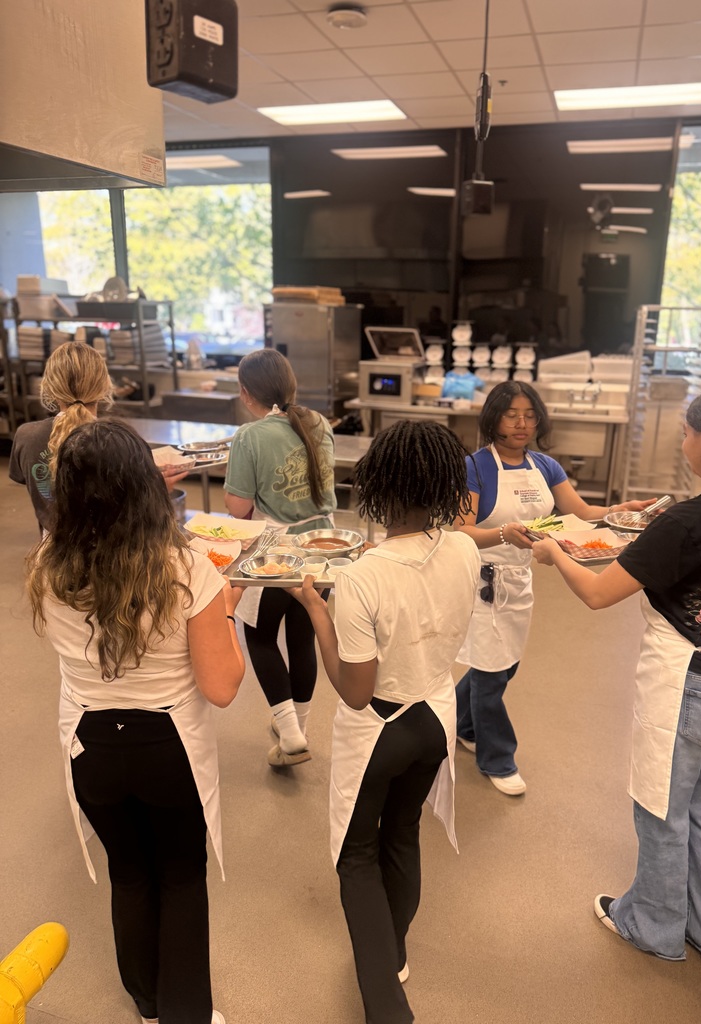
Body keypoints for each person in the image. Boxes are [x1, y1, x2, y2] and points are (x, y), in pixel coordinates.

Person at [531, 380, 701, 970]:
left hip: (692, 685)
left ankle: (655, 926)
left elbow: (596, 592)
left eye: (687, 431)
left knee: (661, 807)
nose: (684, 441)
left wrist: (552, 551)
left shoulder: (693, 517)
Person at [26, 420, 245, 1024]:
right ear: (146, 487)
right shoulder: (187, 568)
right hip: (167, 743)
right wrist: (226, 608)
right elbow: (222, 687)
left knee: (129, 870)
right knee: (179, 874)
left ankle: (148, 1003)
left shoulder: (49, 565)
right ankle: (185, 1014)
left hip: (89, 742)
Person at [290, 419, 480, 1024]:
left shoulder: (360, 576)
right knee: (403, 834)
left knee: (356, 856)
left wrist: (318, 614)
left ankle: (387, 1005)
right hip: (434, 718)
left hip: (380, 729)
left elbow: (353, 692)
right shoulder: (464, 547)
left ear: (377, 487)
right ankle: (395, 954)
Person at [453, 380, 653, 796]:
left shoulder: (545, 466)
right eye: (512, 414)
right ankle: (497, 758)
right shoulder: (475, 466)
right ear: (494, 418)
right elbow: (461, 532)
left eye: (529, 414)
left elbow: (580, 512)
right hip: (483, 579)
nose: (522, 423)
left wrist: (619, 510)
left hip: (521, 577)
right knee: (491, 671)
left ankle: (460, 722)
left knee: (503, 664)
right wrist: (504, 534)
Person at [223, 348, 337, 766]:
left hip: (275, 551)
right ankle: (300, 726)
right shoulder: (318, 422)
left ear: (245, 392)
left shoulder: (249, 437)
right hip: (322, 546)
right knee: (302, 635)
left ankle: (288, 732)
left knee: (259, 634)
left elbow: (237, 509)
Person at [9, 341, 187, 533]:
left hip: (51, 555)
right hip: (112, 557)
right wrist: (158, 488)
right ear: (105, 386)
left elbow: (33, 483)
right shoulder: (122, 440)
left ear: (48, 387)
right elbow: (139, 517)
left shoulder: (26, 436)